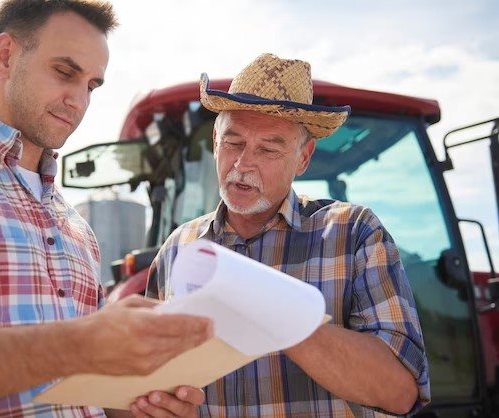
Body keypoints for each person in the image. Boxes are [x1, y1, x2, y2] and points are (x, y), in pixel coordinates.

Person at [0, 1, 212, 417]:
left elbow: (82, 393)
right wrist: (80, 342)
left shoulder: (77, 229)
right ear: (5, 56)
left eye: (91, 85)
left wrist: (143, 402)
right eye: (65, 73)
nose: (78, 101)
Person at [146, 53, 430, 417]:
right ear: (215, 140)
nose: (242, 164)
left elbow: (400, 389)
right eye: (233, 143)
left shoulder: (354, 232)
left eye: (268, 148)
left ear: (303, 158)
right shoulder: (176, 249)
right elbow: (144, 383)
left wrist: (270, 308)